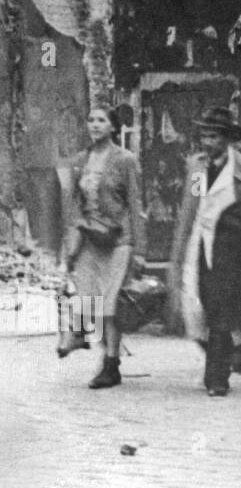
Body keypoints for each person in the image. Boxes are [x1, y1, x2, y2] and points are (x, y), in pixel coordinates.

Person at [171, 106, 241, 396]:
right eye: (204, 136)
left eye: (214, 136)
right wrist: (180, 247)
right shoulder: (196, 167)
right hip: (201, 242)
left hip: (234, 250)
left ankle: (216, 379)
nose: (208, 142)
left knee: (220, 310)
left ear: (228, 139)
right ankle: (234, 342)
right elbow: (190, 206)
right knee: (197, 310)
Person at [59, 106, 145, 389]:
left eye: (101, 120)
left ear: (112, 127)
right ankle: (81, 335)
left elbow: (135, 205)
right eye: (91, 120)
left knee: (109, 306)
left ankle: (111, 365)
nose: (95, 125)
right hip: (89, 239)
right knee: (86, 298)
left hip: (118, 240)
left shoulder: (125, 160)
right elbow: (73, 207)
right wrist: (69, 250)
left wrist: (140, 250)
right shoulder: (80, 161)